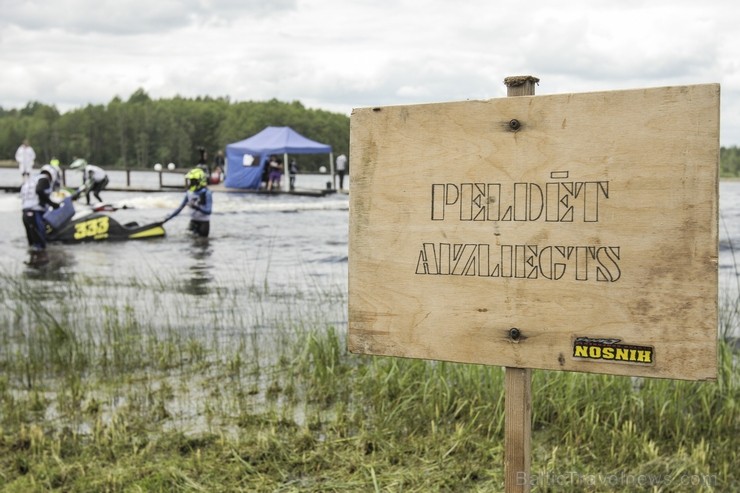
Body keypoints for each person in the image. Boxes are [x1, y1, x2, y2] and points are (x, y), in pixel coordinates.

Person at [20, 165, 60, 253]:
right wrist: (52, 204)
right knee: (40, 245)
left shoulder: (31, 180)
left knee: (32, 244)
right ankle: (41, 264)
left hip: (25, 213)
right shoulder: (44, 179)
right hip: (34, 213)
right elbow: (39, 191)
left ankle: (31, 264)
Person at [164, 167, 213, 237]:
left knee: (202, 244)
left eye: (193, 181)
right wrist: (168, 218)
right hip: (193, 221)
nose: (191, 183)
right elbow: (180, 208)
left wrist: (196, 207)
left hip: (204, 223)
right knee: (190, 244)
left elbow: (209, 211)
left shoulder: (207, 193)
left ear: (199, 181)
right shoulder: (189, 193)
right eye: (190, 180)